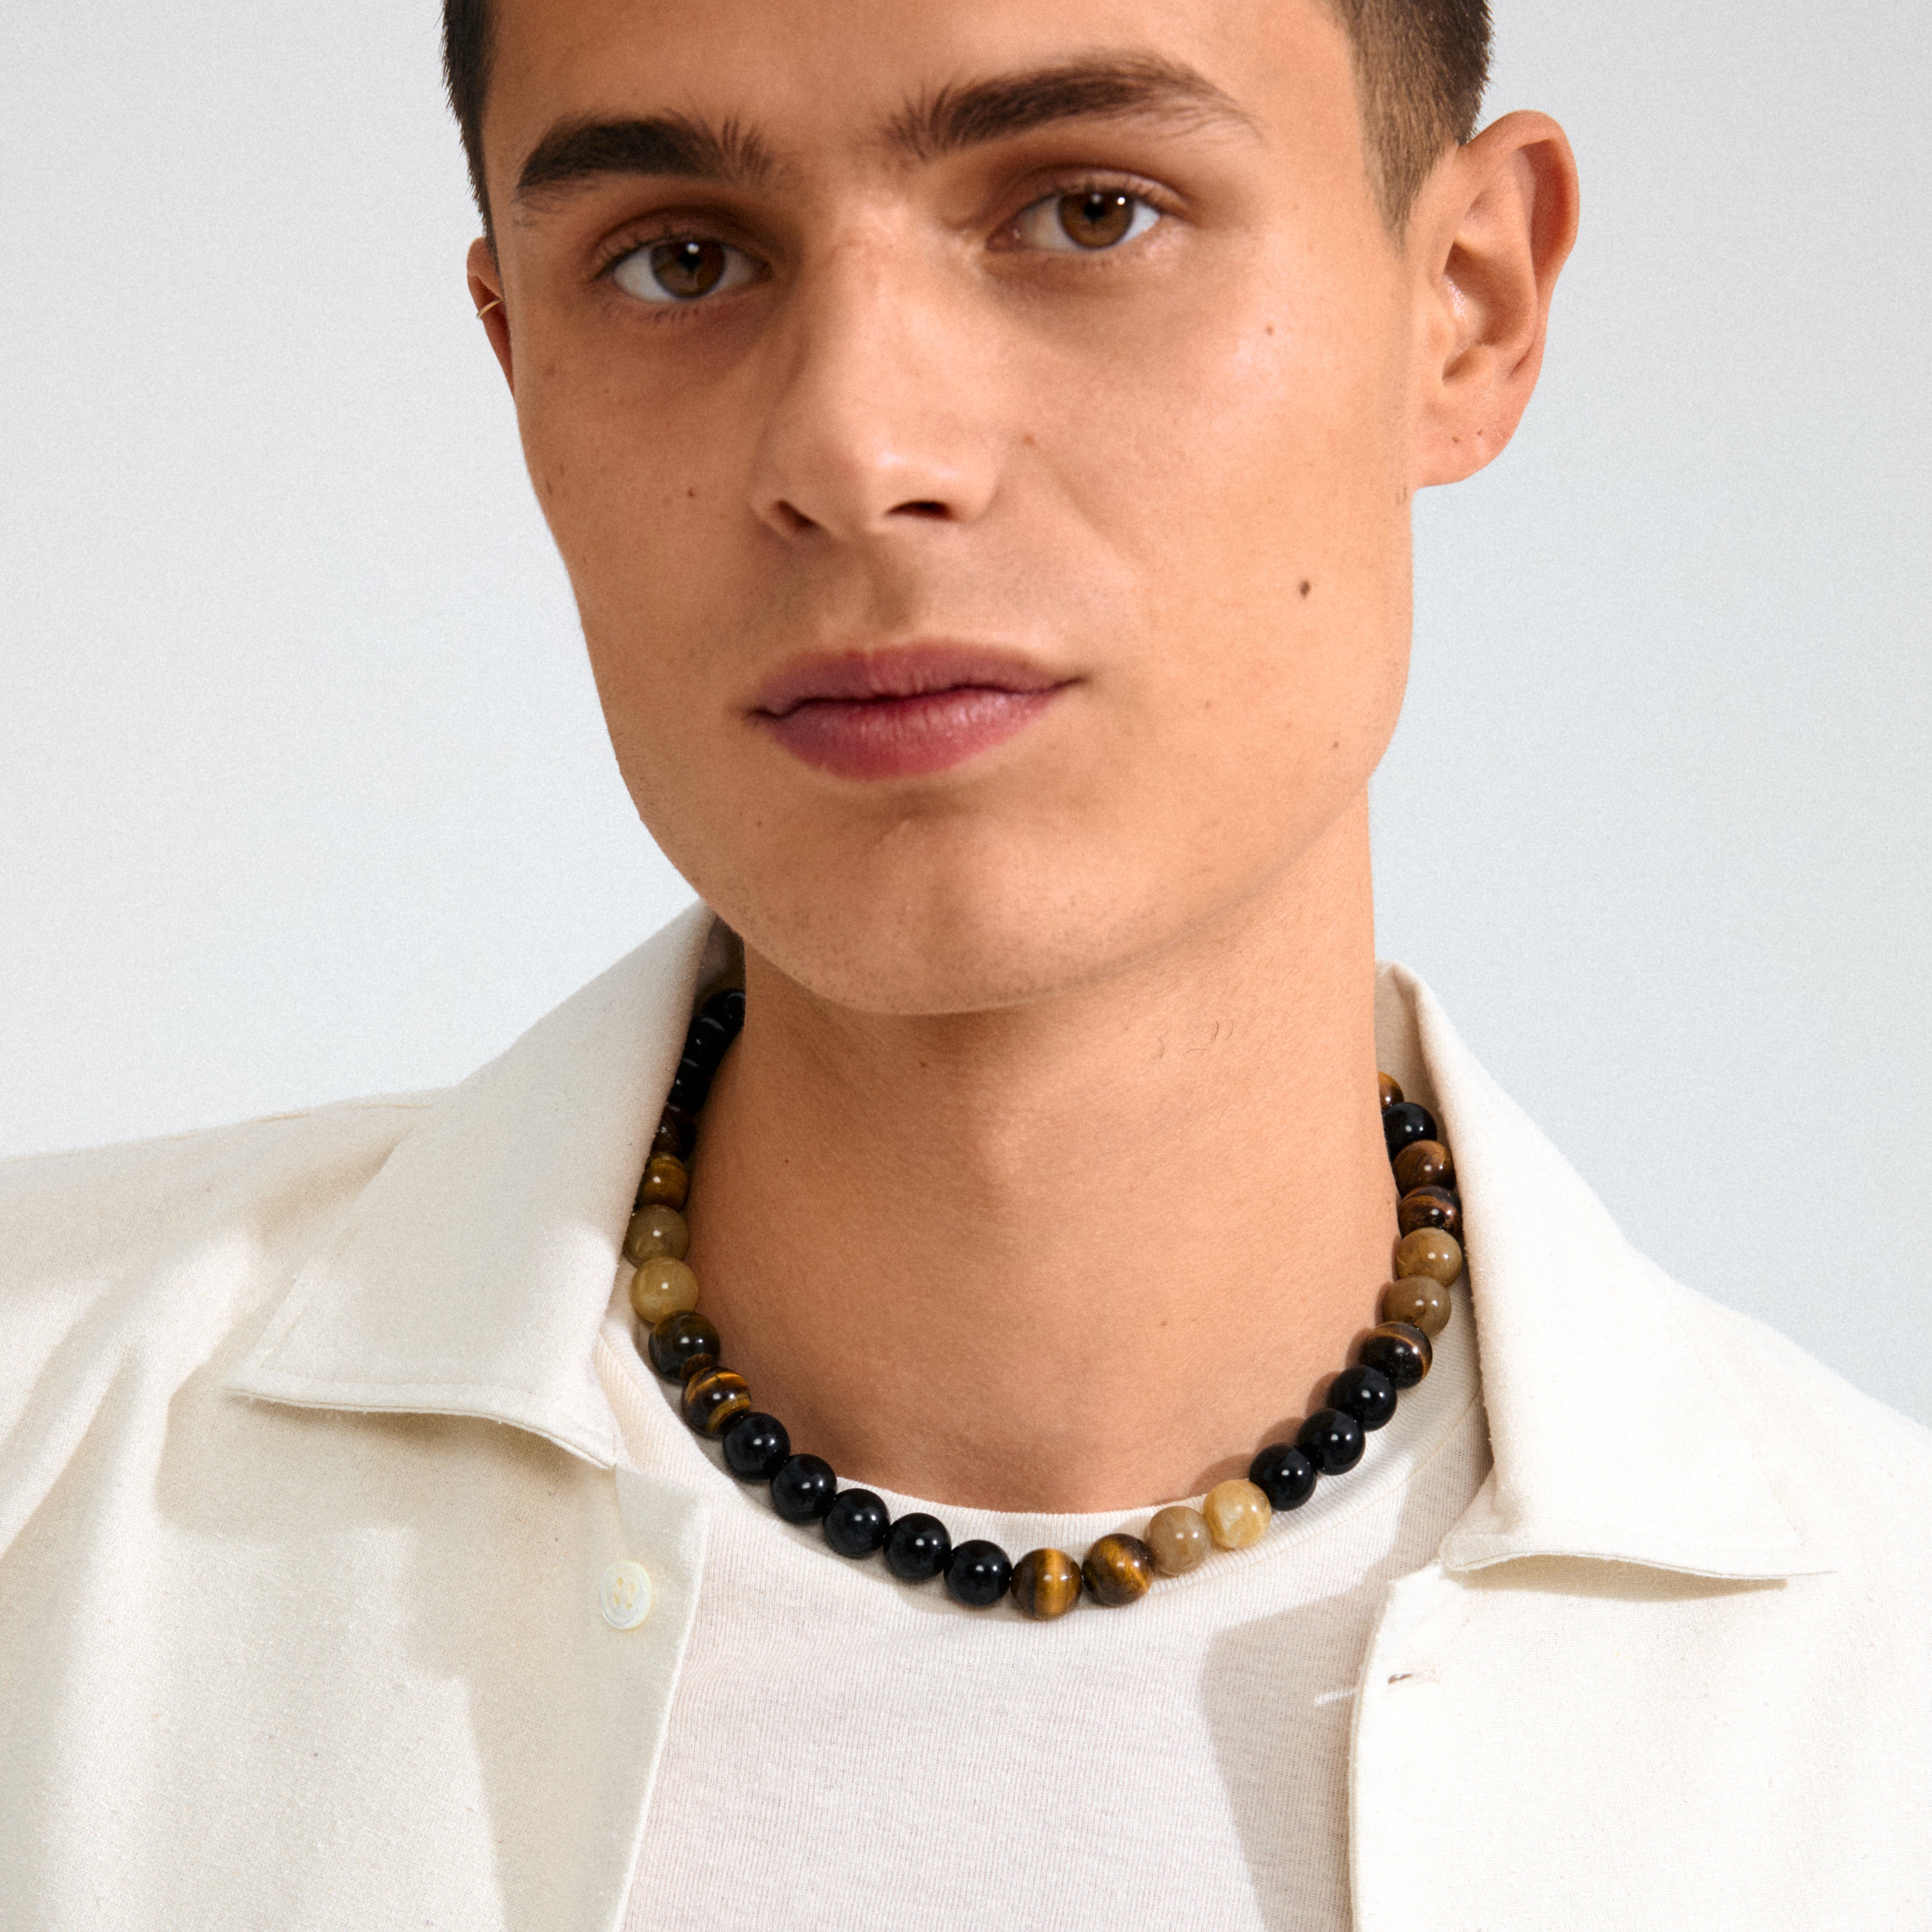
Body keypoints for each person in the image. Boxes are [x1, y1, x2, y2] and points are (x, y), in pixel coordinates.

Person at [2, 0, 1927, 1925]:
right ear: (517, 358)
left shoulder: (1877, 1706)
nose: (857, 447)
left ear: (1469, 300)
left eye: (1090, 212)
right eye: (679, 259)